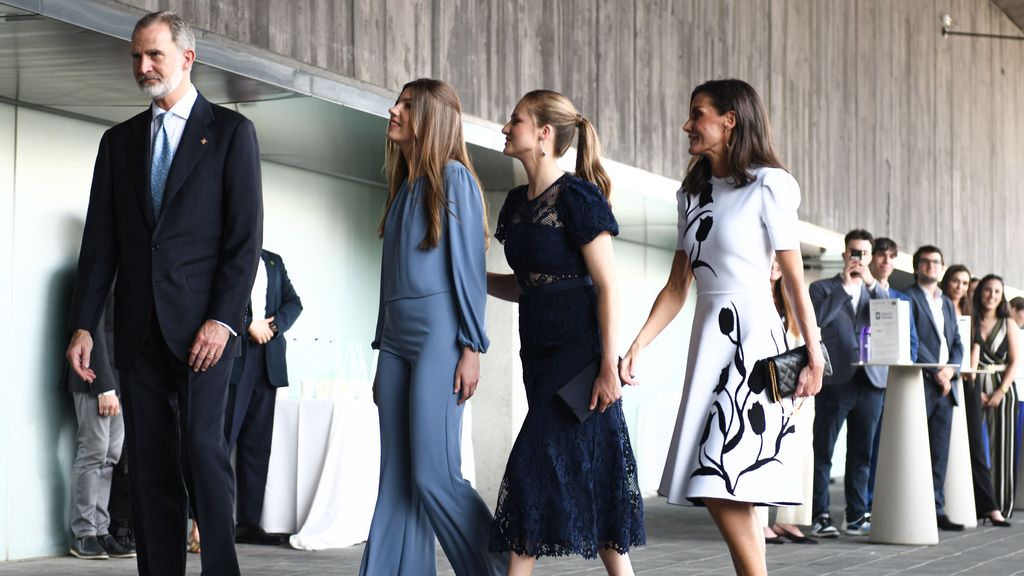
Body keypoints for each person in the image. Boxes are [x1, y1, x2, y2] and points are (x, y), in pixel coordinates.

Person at [65, 11, 263, 576]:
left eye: (153, 54)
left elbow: (244, 241)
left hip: (207, 334)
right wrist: (83, 325)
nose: (143, 65)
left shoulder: (230, 134)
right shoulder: (118, 142)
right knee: (147, 464)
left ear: (187, 58)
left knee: (202, 453)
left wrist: (223, 320)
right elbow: (99, 244)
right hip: (138, 330)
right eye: (135, 55)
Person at [619, 79, 825, 576]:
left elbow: (795, 278)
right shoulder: (690, 194)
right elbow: (676, 287)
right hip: (708, 342)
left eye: (698, 114)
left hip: (756, 345)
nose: (687, 125)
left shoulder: (770, 185)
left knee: (719, 476)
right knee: (733, 484)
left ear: (729, 119)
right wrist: (637, 345)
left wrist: (814, 354)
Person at [486, 90, 645, 574]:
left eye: (515, 119)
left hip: (581, 360)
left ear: (543, 133)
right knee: (591, 477)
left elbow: (607, 284)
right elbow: (528, 286)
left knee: (530, 473)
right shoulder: (515, 204)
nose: (505, 127)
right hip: (537, 355)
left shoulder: (578, 195)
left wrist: (607, 367)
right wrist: (470, 280)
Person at [359, 78, 502, 576]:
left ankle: (500, 570)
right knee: (396, 477)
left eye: (406, 105)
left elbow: (468, 271)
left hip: (441, 337)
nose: (393, 110)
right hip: (397, 342)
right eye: (396, 101)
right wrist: (383, 350)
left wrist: (472, 346)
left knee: (433, 473)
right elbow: (389, 279)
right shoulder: (402, 191)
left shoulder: (454, 178)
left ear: (432, 118)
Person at [807, 229, 888, 538]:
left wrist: (869, 283)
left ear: (870, 257)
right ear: (844, 254)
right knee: (824, 451)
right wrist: (844, 286)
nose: (859, 258)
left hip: (870, 381)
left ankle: (855, 515)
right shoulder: (822, 288)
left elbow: (889, 316)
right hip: (835, 381)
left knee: (862, 453)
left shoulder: (876, 291)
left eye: (864, 253)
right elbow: (818, 320)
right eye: (854, 252)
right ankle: (821, 514)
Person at [226, 249, 303, 544]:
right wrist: (248, 326)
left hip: (267, 362)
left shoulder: (273, 261)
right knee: (222, 442)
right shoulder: (227, 255)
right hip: (235, 358)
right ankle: (213, 522)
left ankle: (248, 523)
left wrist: (272, 326)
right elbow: (215, 297)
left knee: (257, 446)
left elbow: (294, 303)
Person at [65, 294, 134, 560]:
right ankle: (83, 534)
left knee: (110, 456)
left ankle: (100, 530)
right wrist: (104, 386)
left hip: (118, 380)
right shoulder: (99, 275)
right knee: (93, 453)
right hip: (93, 378)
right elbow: (93, 330)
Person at [905, 246, 964, 531]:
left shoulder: (948, 303)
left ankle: (937, 508)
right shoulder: (906, 297)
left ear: (942, 267)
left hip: (945, 386)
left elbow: (957, 344)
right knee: (915, 449)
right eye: (925, 262)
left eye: (936, 262)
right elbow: (911, 340)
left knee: (939, 452)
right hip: (921, 384)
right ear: (916, 267)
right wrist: (937, 371)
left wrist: (951, 369)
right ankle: (913, 507)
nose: (931, 266)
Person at [760, 258, 817, 545]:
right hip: (761, 384)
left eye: (778, 258)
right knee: (758, 450)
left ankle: (788, 520)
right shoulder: (752, 293)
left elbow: (811, 338)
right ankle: (757, 523)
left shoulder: (794, 298)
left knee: (801, 451)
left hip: (796, 385)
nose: (774, 263)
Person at [865, 237, 919, 507]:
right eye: (881, 255)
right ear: (871, 258)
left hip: (894, 383)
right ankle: (857, 506)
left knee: (884, 448)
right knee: (863, 448)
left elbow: (912, 341)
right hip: (862, 381)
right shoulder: (857, 290)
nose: (886, 261)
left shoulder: (902, 299)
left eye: (892, 257)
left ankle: (875, 503)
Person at [971, 274, 1020, 521]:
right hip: (975, 387)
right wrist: (974, 389)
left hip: (1003, 389)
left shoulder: (1008, 322)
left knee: (1002, 448)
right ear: (980, 292)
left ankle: (1001, 506)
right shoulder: (971, 320)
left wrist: (1000, 391)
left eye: (997, 292)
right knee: (977, 449)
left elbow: (1014, 361)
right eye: (988, 290)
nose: (992, 295)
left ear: (1002, 297)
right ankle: (980, 504)